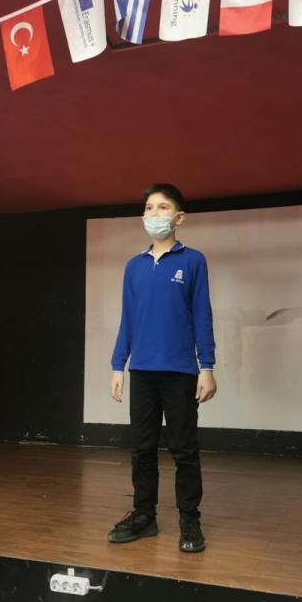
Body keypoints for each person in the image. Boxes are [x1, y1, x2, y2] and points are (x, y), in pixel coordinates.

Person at [107, 183, 217, 553]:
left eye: (163, 207)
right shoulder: (134, 266)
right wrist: (118, 365)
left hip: (181, 371)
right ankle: (144, 515)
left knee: (184, 449)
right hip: (142, 371)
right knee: (141, 448)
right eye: (149, 208)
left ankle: (190, 518)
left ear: (179, 217)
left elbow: (202, 315)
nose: (154, 214)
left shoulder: (193, 261)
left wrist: (207, 366)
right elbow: (128, 319)